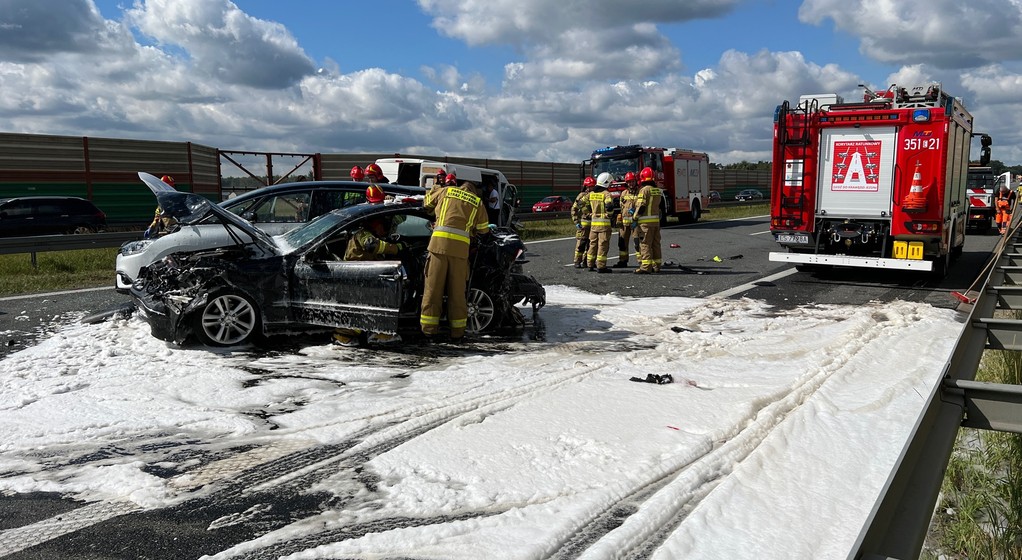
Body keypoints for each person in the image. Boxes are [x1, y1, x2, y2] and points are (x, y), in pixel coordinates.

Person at [420, 179, 492, 343]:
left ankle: (429, 331)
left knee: (433, 290)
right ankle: (457, 333)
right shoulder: (477, 202)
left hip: (438, 247)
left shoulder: (447, 191)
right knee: (457, 294)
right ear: (473, 191)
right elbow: (483, 230)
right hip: (460, 252)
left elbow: (426, 203)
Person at [332, 215, 405, 346]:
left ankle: (369, 333)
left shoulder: (367, 233)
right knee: (368, 307)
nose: (386, 229)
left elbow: (402, 218)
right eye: (384, 225)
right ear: (375, 224)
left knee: (366, 308)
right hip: (358, 278)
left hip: (363, 277)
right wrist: (396, 248)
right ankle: (349, 335)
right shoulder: (363, 234)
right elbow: (372, 245)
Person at [633, 166, 663, 274]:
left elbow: (641, 206)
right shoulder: (658, 190)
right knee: (656, 244)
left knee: (645, 244)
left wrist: (634, 217)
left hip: (645, 223)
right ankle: (657, 265)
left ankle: (645, 267)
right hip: (655, 222)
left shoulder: (644, 190)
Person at [586, 172, 615, 273]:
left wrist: (588, 213)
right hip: (604, 225)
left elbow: (580, 203)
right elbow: (609, 207)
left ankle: (590, 264)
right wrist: (610, 215)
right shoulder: (606, 194)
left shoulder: (591, 194)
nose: (610, 185)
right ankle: (601, 266)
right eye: (610, 183)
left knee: (592, 244)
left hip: (593, 225)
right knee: (603, 245)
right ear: (606, 183)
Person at [614, 171, 639, 268]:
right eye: (629, 182)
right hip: (624, 225)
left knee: (637, 243)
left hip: (635, 223)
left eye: (632, 181)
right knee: (622, 243)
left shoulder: (639, 192)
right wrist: (619, 218)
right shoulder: (623, 193)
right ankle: (623, 261)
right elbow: (621, 207)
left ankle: (642, 262)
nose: (631, 184)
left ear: (635, 181)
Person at [571, 177, 595, 268]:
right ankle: (577, 261)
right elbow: (574, 209)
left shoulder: (595, 195)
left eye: (592, 186)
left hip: (594, 224)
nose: (590, 188)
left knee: (591, 244)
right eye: (589, 187)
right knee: (581, 243)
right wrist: (576, 221)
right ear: (585, 187)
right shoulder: (581, 196)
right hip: (584, 224)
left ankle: (587, 261)